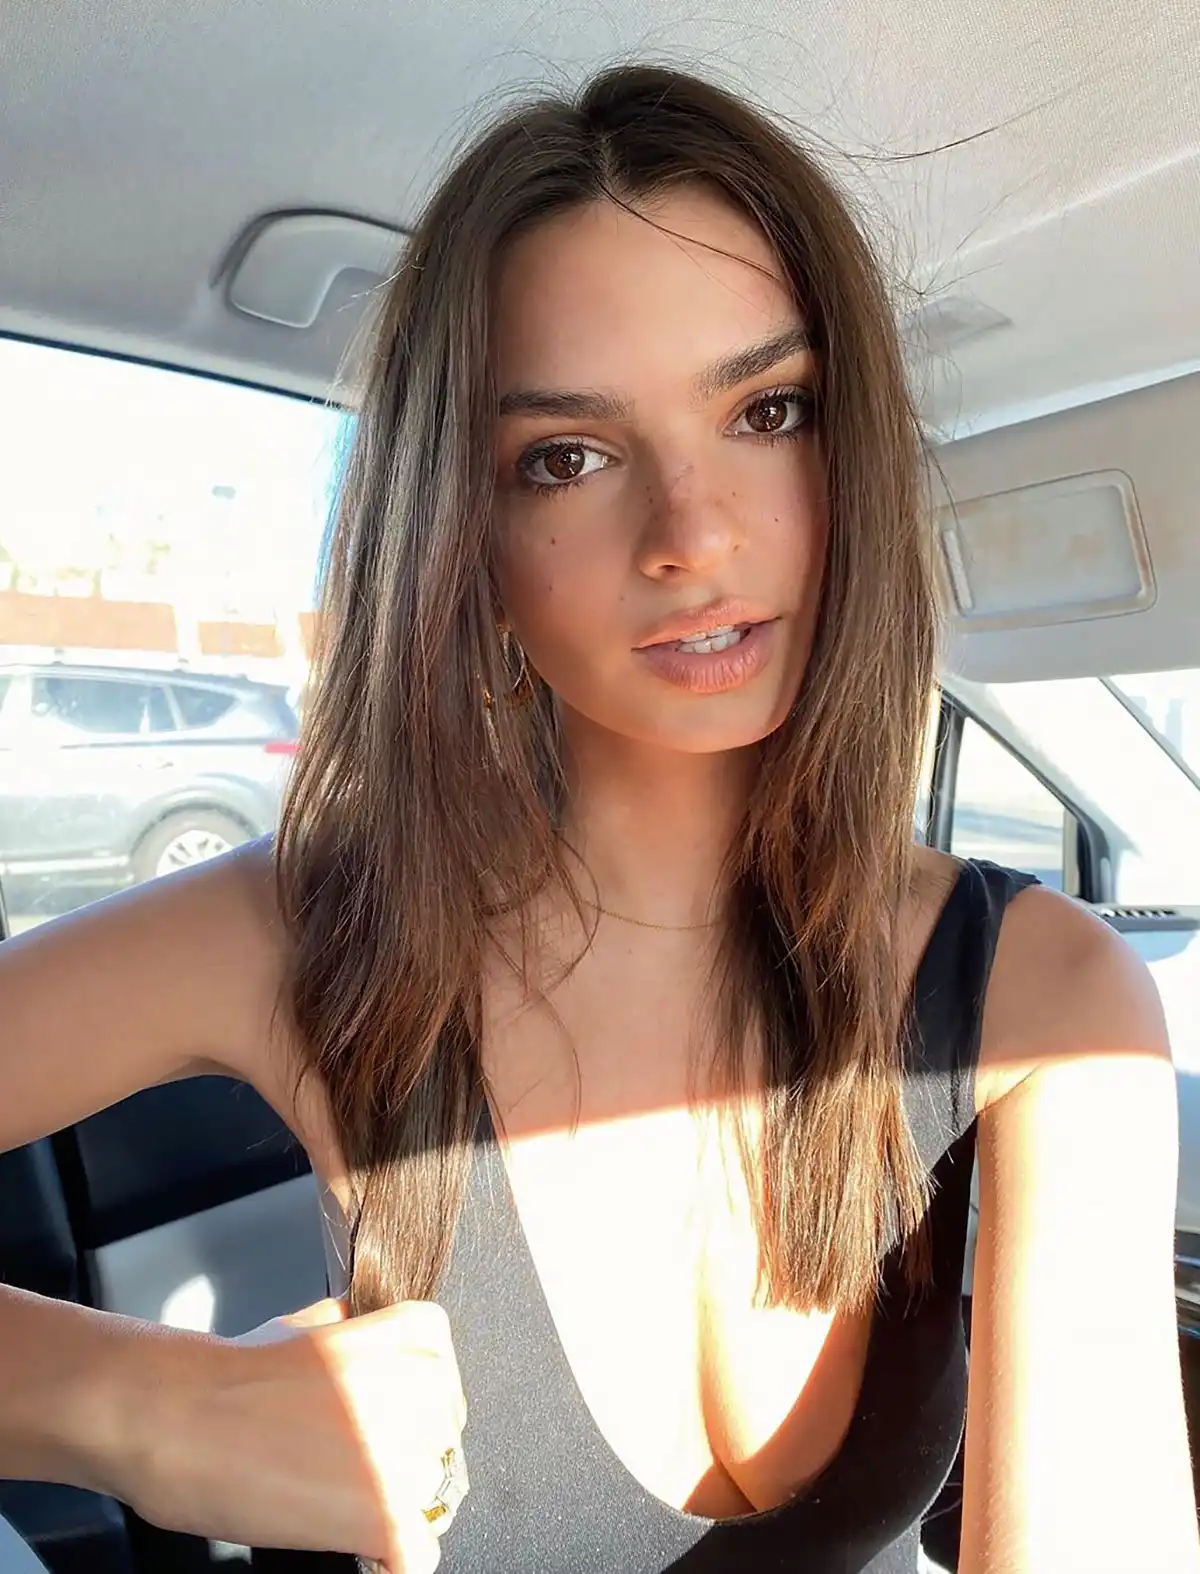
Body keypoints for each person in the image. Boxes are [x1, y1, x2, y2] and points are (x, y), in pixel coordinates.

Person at [0, 62, 1195, 1574]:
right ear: (470, 537)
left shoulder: (1050, 997)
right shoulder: (303, 931)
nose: (692, 536)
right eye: (567, 457)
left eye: (768, 410)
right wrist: (144, 1409)